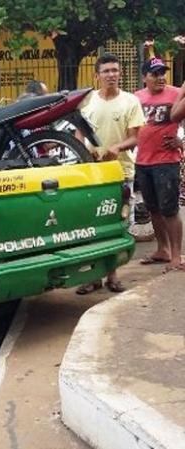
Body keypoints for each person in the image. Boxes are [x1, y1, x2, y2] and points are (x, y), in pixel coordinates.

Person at [76, 53, 145, 294]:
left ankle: (113, 276)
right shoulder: (87, 101)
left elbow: (136, 136)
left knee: (118, 225)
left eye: (115, 70)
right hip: (92, 175)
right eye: (106, 71)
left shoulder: (130, 101)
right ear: (97, 75)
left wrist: (117, 148)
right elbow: (79, 135)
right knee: (91, 226)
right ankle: (93, 277)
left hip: (121, 172)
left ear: (121, 74)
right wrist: (83, 155)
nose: (111, 75)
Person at [135, 57, 184, 272]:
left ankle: (176, 256)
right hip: (143, 162)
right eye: (155, 74)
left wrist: (182, 142)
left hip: (166, 162)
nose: (160, 77)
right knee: (153, 209)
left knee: (170, 210)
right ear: (144, 77)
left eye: (163, 73)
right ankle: (162, 249)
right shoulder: (136, 98)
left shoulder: (175, 94)